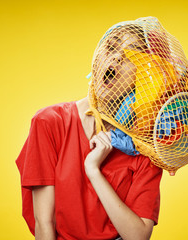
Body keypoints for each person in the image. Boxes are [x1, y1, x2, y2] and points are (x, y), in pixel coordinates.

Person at [16, 20, 163, 240]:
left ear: (142, 78)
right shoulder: (48, 122)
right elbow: (44, 223)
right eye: (112, 47)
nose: (117, 57)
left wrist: (93, 170)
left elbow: (138, 237)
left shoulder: (145, 146)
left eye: (131, 56)